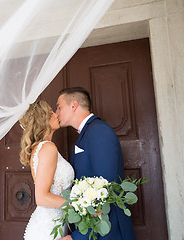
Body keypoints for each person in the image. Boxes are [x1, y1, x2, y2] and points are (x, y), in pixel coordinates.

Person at [56, 87, 136, 240]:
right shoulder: (89, 132)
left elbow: (105, 188)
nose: (56, 112)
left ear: (73, 105)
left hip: (109, 232)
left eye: (59, 107)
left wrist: (78, 237)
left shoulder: (99, 131)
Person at [20, 100, 75, 240]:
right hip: (48, 230)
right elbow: (42, 197)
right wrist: (78, 206)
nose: (56, 114)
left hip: (55, 223)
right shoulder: (48, 148)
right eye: (51, 113)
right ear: (42, 120)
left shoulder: (42, 148)